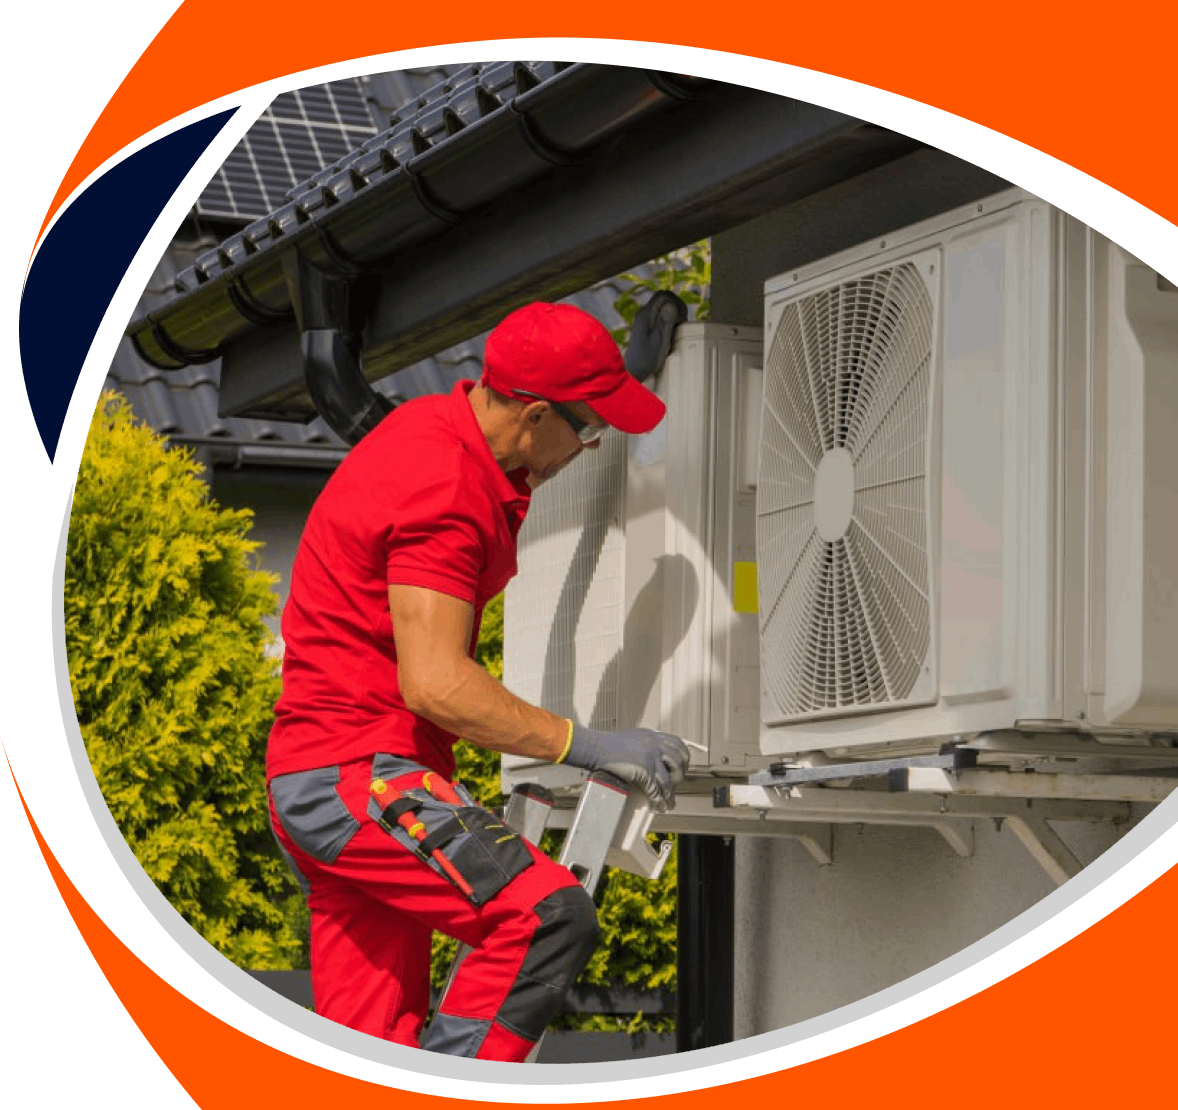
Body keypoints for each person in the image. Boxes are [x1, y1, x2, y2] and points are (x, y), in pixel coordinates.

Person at [266, 300, 691, 1062]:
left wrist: (615, 381)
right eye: (586, 427)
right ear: (532, 416)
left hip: (322, 777)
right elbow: (437, 685)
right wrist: (587, 745)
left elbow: (534, 438)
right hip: (361, 776)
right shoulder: (447, 491)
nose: (590, 447)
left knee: (372, 1048)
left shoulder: (441, 430)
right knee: (546, 917)